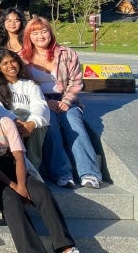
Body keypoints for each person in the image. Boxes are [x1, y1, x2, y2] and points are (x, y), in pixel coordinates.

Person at [0, 88, 79, 253]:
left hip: (13, 165)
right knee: (11, 199)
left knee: (41, 191)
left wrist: (23, 185)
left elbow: (18, 156)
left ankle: (65, 246)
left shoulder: (5, 121)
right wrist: (15, 187)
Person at [20, 17, 103, 189]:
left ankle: (89, 173)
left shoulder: (67, 53)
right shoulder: (22, 58)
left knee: (75, 126)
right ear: (29, 36)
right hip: (40, 101)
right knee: (51, 129)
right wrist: (44, 101)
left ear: (50, 32)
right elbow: (22, 86)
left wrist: (66, 101)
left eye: (44, 31)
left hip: (66, 98)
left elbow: (76, 81)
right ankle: (62, 173)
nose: (40, 36)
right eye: (34, 33)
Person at [0, 49, 49, 171]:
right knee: (20, 115)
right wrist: (15, 120)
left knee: (40, 124)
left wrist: (31, 123)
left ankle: (33, 170)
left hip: (28, 124)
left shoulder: (30, 84)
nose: (10, 66)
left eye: (13, 61)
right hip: (6, 123)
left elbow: (40, 105)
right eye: (5, 63)